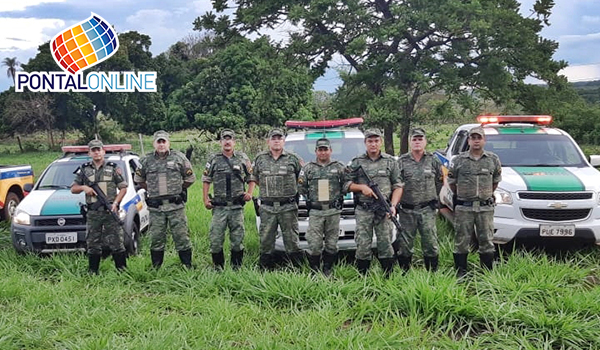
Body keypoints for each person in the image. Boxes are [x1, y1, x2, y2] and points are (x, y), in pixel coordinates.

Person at [134, 130, 196, 269]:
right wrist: (151, 189)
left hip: (176, 207)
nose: (161, 144)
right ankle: (156, 267)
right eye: (158, 142)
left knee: (181, 237)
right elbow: (138, 179)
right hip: (156, 208)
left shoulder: (179, 157)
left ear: (168, 143)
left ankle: (187, 265)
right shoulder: (146, 160)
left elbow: (190, 178)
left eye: (164, 141)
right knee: (156, 238)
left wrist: (179, 188)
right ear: (154, 144)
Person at [346, 129, 403, 276]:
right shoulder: (357, 162)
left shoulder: (390, 161)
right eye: (370, 141)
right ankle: (362, 277)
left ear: (381, 142)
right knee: (363, 245)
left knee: (385, 243)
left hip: (383, 210)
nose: (373, 144)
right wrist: (361, 187)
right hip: (363, 210)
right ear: (365, 143)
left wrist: (393, 206)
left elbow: (398, 186)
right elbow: (346, 184)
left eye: (376, 141)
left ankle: (388, 277)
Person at [447, 126, 502, 277]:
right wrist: (463, 195)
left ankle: (486, 272)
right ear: (469, 141)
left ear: (484, 140)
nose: (476, 141)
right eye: (473, 138)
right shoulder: (459, 160)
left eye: (479, 138)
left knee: (486, 240)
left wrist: (486, 194)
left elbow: (495, 181)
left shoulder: (492, 159)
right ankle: (461, 272)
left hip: (485, 208)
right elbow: (452, 181)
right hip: (465, 207)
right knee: (461, 241)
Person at [71, 139, 128, 274]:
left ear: (103, 151)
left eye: (99, 150)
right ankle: (93, 272)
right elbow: (73, 189)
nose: (96, 152)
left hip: (110, 211)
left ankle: (122, 271)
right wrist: (84, 187)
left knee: (116, 242)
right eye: (93, 150)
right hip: (93, 213)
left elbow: (124, 188)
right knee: (92, 243)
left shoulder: (113, 168)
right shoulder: (84, 170)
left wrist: (115, 203)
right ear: (89, 152)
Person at [202, 129, 255, 270]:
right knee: (215, 239)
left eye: (229, 139)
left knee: (237, 239)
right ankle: (218, 268)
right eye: (224, 139)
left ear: (234, 142)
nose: (227, 142)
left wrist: (249, 193)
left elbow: (252, 178)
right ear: (220, 142)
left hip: (237, 207)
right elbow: (206, 180)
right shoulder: (214, 159)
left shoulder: (242, 158)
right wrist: (205, 199)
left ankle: (236, 268)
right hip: (219, 207)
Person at [253, 128, 304, 270]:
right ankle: (266, 269)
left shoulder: (293, 159)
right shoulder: (260, 159)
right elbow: (255, 178)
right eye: (273, 138)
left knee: (292, 240)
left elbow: (302, 179)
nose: (276, 140)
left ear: (284, 141)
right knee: (266, 239)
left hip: (288, 207)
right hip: (267, 208)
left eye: (279, 138)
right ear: (268, 141)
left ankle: (297, 270)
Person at [395, 128, 444, 272]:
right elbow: (396, 183)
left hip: (427, 210)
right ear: (410, 142)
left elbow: (440, 180)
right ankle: (404, 274)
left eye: (420, 139)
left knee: (430, 243)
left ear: (425, 141)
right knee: (404, 244)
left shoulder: (433, 160)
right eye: (414, 139)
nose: (417, 142)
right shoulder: (402, 162)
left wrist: (436, 200)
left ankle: (432, 274)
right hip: (406, 210)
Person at [298, 138, 347, 276]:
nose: (323, 152)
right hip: (316, 212)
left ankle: (327, 269)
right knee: (314, 244)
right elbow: (301, 187)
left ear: (330, 151)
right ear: (316, 151)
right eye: (320, 150)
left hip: (333, 211)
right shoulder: (308, 168)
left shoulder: (339, 167)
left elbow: (346, 184)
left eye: (326, 149)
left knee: (332, 243)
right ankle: (314, 270)